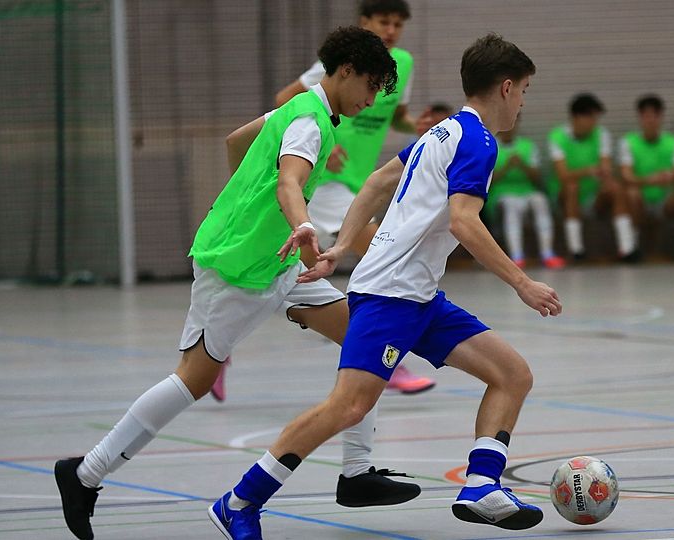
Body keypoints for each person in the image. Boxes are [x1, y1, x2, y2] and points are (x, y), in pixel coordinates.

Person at [52, 27, 417, 540]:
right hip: (238, 268)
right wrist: (298, 224)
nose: (373, 100)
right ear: (346, 71)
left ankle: (356, 475)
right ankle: (85, 473)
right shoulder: (309, 123)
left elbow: (236, 141)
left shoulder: (299, 109)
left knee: (365, 338)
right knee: (193, 380)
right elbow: (289, 181)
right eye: (371, 86)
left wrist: (245, 203)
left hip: (277, 263)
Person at [210, 34, 561, 539]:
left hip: (418, 295)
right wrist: (522, 282)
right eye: (524, 90)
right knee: (348, 406)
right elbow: (464, 222)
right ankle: (239, 502)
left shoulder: (443, 131)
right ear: (506, 87)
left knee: (512, 375)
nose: (523, 102)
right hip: (391, 294)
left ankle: (482, 486)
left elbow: (376, 182)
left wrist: (342, 246)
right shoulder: (479, 142)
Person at [269, 0, 435, 394]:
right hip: (327, 181)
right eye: (383, 22)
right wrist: (322, 138)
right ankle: (385, 359)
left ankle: (219, 344)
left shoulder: (403, 65)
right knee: (382, 254)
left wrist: (418, 126)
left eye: (398, 24)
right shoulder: (340, 65)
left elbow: (396, 116)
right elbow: (284, 100)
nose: (391, 30)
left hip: (358, 183)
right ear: (365, 22)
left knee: (287, 278)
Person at [548, 93, 636, 261]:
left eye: (596, 118)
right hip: (566, 196)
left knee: (616, 188)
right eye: (590, 117)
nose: (594, 122)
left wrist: (606, 176)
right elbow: (563, 175)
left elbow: (605, 166)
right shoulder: (557, 137)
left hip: (594, 196)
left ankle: (627, 249)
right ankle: (576, 250)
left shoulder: (602, 134)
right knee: (572, 187)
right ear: (576, 117)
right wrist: (588, 171)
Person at [619, 94, 674, 260]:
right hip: (640, 200)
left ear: (661, 117)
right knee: (630, 193)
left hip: (666, 201)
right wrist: (649, 180)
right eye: (646, 116)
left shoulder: (673, 143)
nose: (650, 121)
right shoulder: (628, 142)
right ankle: (631, 248)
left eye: (654, 116)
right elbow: (626, 176)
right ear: (640, 118)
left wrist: (672, 175)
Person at [490, 120, 565, 268]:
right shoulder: (490, 146)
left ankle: (547, 253)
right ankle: (517, 256)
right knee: (512, 205)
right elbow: (487, 180)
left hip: (527, 190)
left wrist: (522, 165)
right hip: (501, 193)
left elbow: (537, 177)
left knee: (540, 201)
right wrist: (507, 167)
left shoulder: (528, 146)